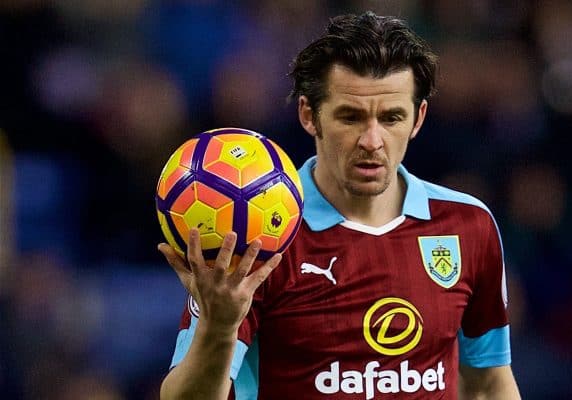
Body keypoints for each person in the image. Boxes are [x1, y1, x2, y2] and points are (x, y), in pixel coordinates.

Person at [158, 11, 521, 399]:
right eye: (350, 117)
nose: (372, 140)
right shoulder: (261, 232)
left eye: (392, 117)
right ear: (309, 116)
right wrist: (219, 327)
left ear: (418, 119)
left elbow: (488, 384)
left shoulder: (467, 224)